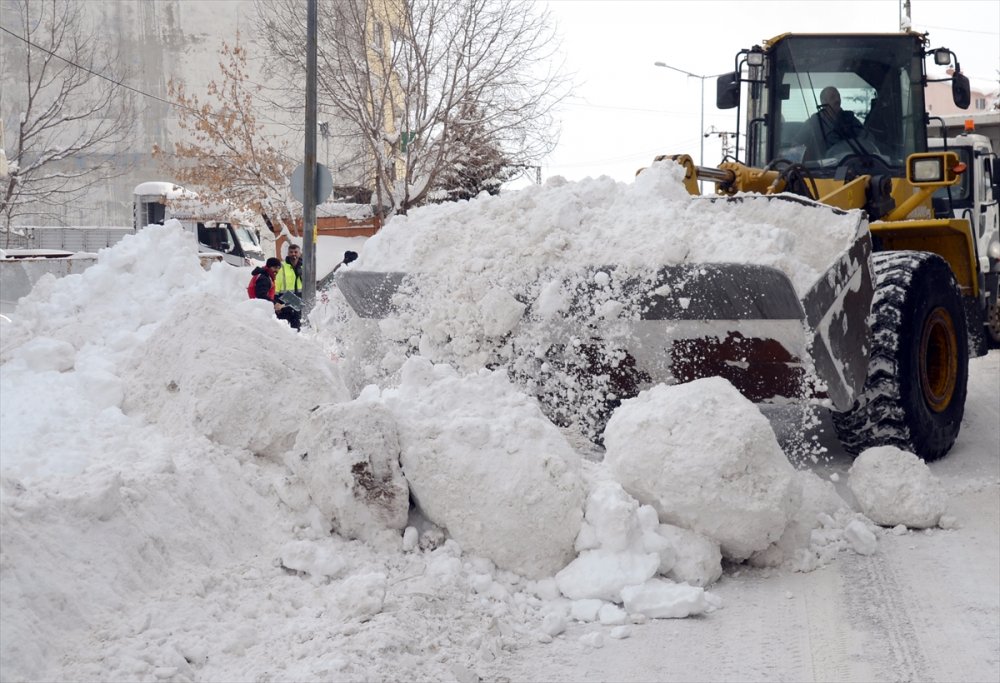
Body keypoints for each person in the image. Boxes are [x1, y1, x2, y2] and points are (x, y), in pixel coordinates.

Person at [795, 86, 867, 160]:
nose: (837, 99)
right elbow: (797, 143)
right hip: (824, 169)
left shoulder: (849, 118)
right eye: (832, 97)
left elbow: (866, 138)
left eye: (838, 96)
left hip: (850, 164)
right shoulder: (815, 121)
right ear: (823, 102)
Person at [248, 257, 300, 330]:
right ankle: (294, 334)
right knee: (293, 310)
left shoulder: (268, 275)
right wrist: (275, 304)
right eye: (275, 267)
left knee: (298, 304)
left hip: (282, 295)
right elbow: (261, 295)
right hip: (275, 297)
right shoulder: (264, 277)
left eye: (278, 268)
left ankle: (295, 331)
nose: (277, 270)